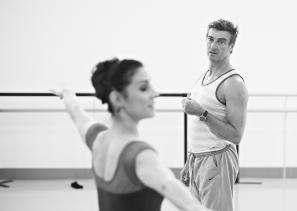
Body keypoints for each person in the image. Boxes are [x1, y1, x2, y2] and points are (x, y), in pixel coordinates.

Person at [51, 58, 210, 211]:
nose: (155, 93)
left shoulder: (97, 138)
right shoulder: (142, 157)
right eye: (143, 88)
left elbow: (76, 113)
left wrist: (66, 93)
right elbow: (192, 207)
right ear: (117, 99)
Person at [181, 19, 248, 211]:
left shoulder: (233, 84)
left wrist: (202, 113)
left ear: (231, 47)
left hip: (218, 159)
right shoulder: (203, 76)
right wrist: (190, 160)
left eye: (221, 41)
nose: (213, 45)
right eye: (210, 39)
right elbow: (199, 129)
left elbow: (236, 135)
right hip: (198, 159)